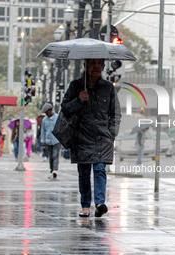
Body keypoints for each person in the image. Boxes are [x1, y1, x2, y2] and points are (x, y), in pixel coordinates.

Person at [61, 58, 121, 218]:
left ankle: (100, 204)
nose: (96, 67)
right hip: (82, 136)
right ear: (85, 65)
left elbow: (115, 113)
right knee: (84, 172)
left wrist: (112, 133)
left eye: (99, 63)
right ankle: (85, 205)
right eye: (92, 63)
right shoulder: (76, 86)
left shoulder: (108, 88)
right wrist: (79, 100)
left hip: (102, 137)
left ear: (103, 66)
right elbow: (65, 109)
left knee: (100, 169)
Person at [41, 103, 61, 178]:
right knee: (50, 156)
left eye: (47, 112)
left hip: (57, 140)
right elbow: (43, 131)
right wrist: (43, 140)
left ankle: (55, 170)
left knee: (55, 155)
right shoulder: (44, 120)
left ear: (50, 110)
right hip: (48, 141)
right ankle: (51, 170)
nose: (46, 114)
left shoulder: (57, 117)